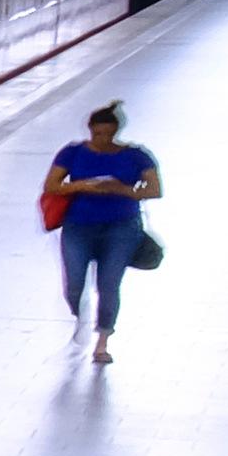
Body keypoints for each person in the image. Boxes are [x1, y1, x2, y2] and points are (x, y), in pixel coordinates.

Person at [48, 101, 162, 359]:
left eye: (108, 134)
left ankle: (103, 341)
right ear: (89, 130)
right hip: (78, 226)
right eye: (98, 134)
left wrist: (124, 190)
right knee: (74, 283)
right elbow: (52, 186)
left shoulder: (136, 156)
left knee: (109, 284)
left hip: (122, 227)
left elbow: (156, 190)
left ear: (116, 131)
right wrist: (80, 186)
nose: (103, 140)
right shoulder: (73, 153)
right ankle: (79, 314)